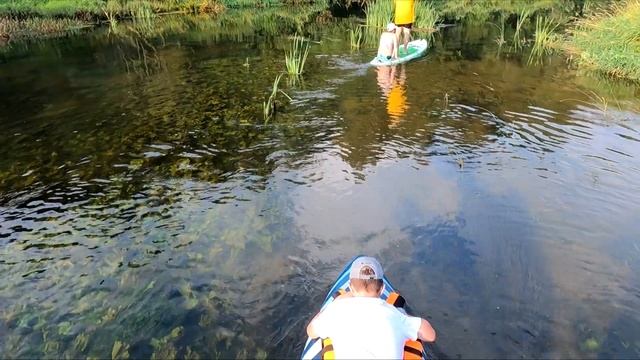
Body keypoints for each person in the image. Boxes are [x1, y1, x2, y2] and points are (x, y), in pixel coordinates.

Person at [306, 256, 436, 359]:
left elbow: (311, 332)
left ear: (350, 287)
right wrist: (404, 315)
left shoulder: (336, 311)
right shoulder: (395, 315)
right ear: (382, 288)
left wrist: (333, 304)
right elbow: (430, 335)